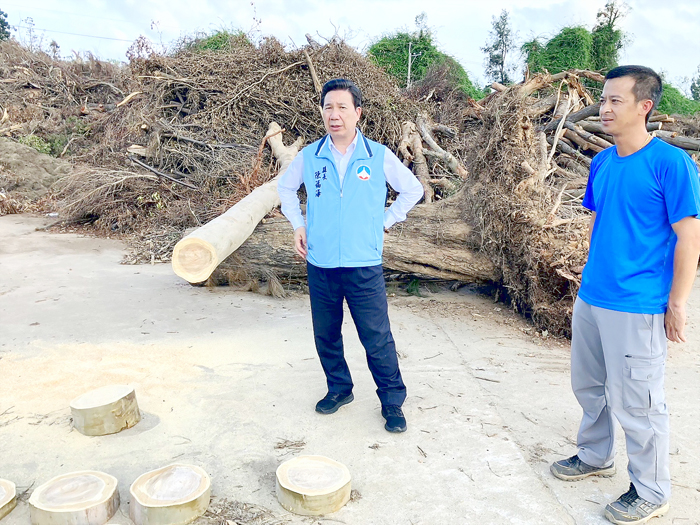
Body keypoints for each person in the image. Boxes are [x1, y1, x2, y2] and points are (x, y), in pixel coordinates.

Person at [550, 65, 700, 524]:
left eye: (616, 100)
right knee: (590, 386)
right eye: (604, 98)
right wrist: (586, 277)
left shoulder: (671, 164)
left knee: (639, 400)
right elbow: (598, 221)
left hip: (638, 305)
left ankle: (652, 490)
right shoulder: (602, 161)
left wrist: (676, 303)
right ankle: (595, 455)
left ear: (644, 107)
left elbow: (689, 239)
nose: (605, 107)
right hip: (594, 297)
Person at [277, 78, 423, 433]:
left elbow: (412, 189)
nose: (334, 114)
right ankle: (339, 389)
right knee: (326, 334)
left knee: (376, 337)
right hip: (321, 263)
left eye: (342, 107)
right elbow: (284, 187)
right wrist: (297, 223)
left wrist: (385, 222)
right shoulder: (311, 156)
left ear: (357, 113)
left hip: (363, 265)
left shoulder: (377, 155)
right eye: (328, 107)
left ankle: (392, 402)